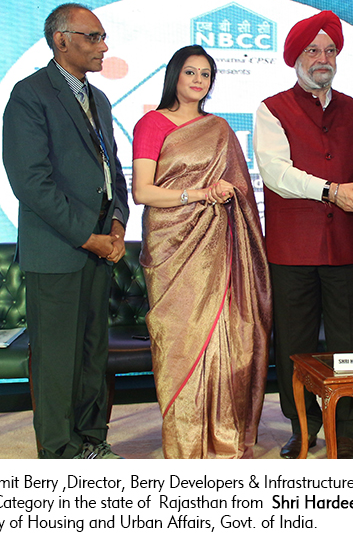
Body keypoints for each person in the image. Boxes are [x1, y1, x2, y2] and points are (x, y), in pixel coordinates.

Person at [3, 3, 129, 459]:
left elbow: (112, 170)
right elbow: (30, 182)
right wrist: (87, 236)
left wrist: (117, 223)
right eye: (93, 37)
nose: (104, 47)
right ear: (61, 40)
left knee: (93, 353)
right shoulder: (30, 94)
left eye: (103, 37)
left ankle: (92, 439)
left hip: (100, 247)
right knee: (57, 358)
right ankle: (59, 451)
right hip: (59, 250)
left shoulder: (99, 99)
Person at [132, 45, 271, 459]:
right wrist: (200, 193)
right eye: (190, 72)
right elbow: (143, 192)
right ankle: (185, 441)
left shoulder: (219, 129)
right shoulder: (152, 124)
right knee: (179, 339)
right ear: (174, 74)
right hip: (171, 245)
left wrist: (226, 193)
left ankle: (224, 434)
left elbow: (240, 189)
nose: (198, 80)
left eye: (206, 74)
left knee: (224, 336)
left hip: (217, 245)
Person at [254, 10, 353, 460]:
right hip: (293, 248)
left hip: (349, 243)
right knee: (295, 344)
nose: (322, 58)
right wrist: (331, 191)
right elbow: (276, 173)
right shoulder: (272, 109)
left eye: (329, 50)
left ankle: (346, 431)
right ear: (296, 58)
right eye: (312, 50)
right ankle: (302, 427)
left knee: (351, 342)